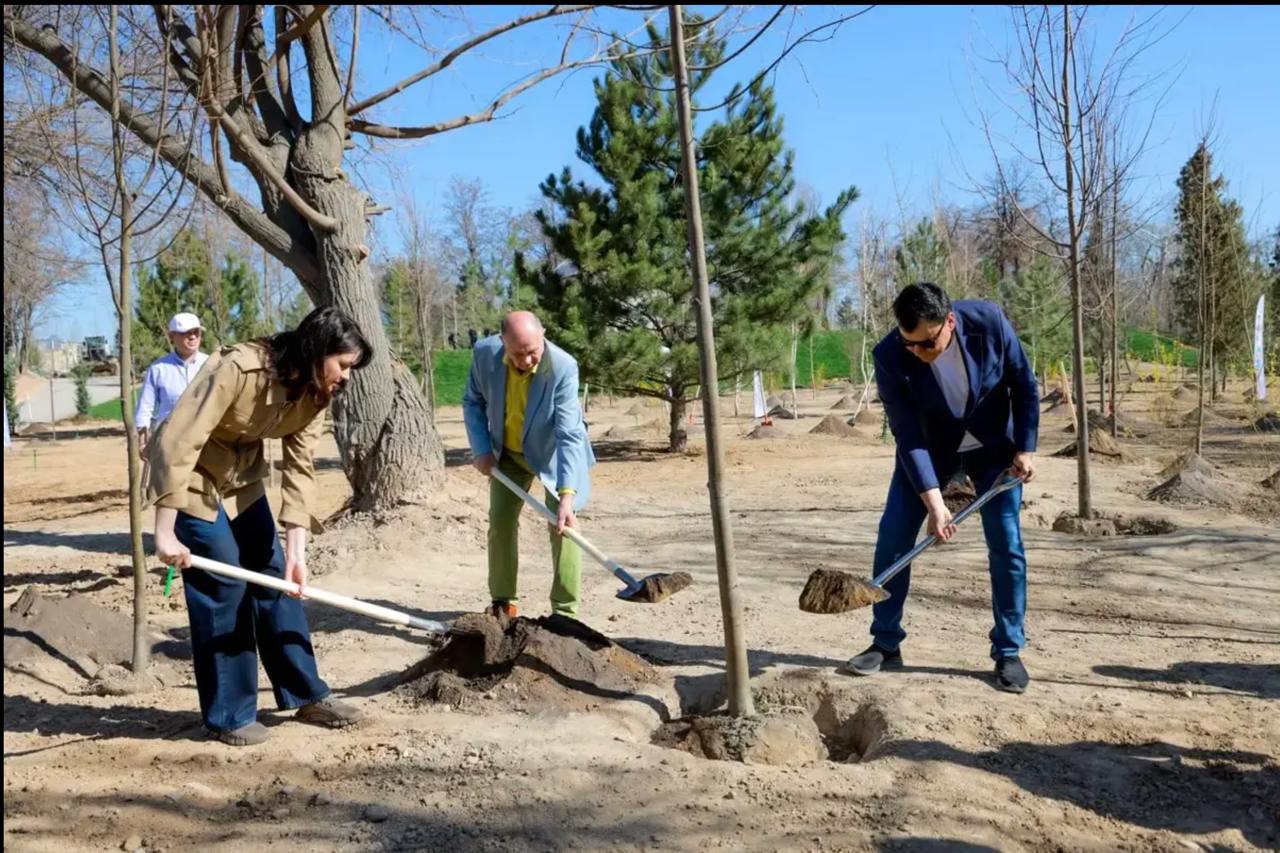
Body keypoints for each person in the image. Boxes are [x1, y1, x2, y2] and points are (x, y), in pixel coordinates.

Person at [148, 307, 372, 745]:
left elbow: (299, 471)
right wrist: (164, 532)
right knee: (222, 580)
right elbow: (180, 438)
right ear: (317, 349)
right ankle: (227, 715)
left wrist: (297, 555)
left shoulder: (316, 393)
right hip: (191, 475)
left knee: (275, 575)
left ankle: (305, 693)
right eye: (343, 365)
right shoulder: (240, 367)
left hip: (242, 473)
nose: (347, 377)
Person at [845, 282, 1039, 693]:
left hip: (994, 450)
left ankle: (1008, 650)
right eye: (908, 343)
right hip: (930, 451)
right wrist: (934, 502)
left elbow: (1023, 384)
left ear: (949, 322)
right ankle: (885, 642)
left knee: (1006, 544)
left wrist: (1025, 448)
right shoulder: (889, 356)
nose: (917, 352)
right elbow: (907, 434)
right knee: (894, 537)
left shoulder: (989, 323)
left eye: (926, 344)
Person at [462, 311, 595, 619]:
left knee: (565, 527)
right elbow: (473, 401)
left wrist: (567, 496)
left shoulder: (562, 367)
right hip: (506, 455)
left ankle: (565, 613)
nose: (527, 360)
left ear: (543, 335)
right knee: (500, 523)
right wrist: (481, 448)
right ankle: (504, 602)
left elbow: (569, 434)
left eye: (533, 351)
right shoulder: (485, 354)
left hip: (553, 457)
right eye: (517, 353)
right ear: (502, 343)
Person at [135, 313, 209, 458]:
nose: (193, 337)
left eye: (196, 332)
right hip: (169, 443)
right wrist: (143, 441)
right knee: (169, 480)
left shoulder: (212, 365)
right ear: (172, 336)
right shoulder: (158, 369)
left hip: (206, 442)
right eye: (186, 333)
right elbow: (145, 407)